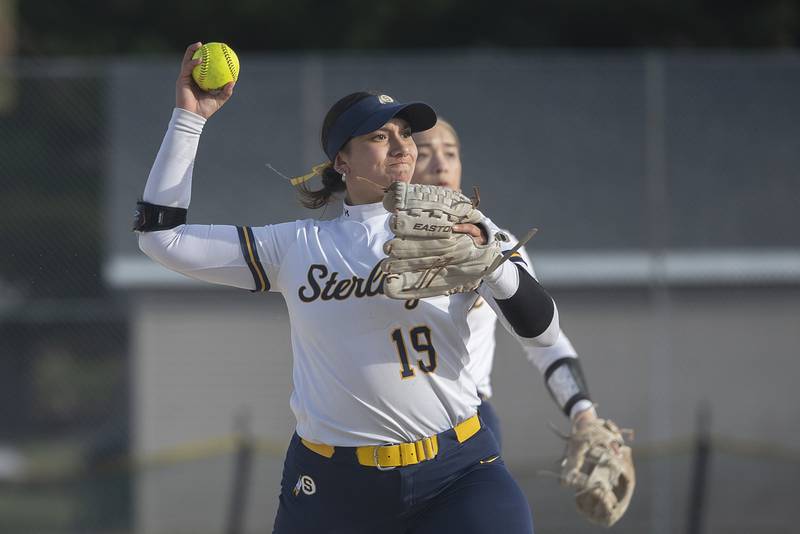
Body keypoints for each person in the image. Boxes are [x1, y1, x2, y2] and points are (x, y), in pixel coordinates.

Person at [135, 43, 569, 534]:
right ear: (342, 159)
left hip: (459, 473)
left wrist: (490, 259)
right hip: (334, 488)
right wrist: (189, 119)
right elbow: (162, 238)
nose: (404, 146)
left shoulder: (462, 226)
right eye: (380, 136)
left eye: (406, 134)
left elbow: (544, 331)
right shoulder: (296, 246)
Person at [411, 119, 597, 449]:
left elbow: (546, 341)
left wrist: (584, 414)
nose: (442, 165)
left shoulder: (494, 241)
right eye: (424, 154)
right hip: (388, 420)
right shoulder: (371, 245)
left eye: (451, 153)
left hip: (466, 419)